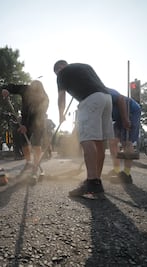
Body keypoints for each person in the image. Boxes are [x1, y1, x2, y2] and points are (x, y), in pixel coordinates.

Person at [53, 60, 114, 198]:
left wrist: (60, 114)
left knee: (87, 138)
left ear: (58, 68)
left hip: (90, 100)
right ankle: (96, 181)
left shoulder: (61, 73)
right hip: (106, 98)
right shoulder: (85, 66)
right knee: (99, 141)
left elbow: (61, 96)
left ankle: (92, 181)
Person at [2, 80, 49, 176]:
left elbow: (39, 115)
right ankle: (28, 163)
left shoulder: (44, 98)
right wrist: (6, 89)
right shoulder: (25, 89)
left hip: (38, 123)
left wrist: (27, 126)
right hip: (25, 119)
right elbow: (12, 86)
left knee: (36, 144)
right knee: (24, 142)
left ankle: (35, 165)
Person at [104, 88, 141, 184]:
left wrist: (125, 119)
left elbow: (121, 99)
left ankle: (126, 174)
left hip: (131, 111)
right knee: (112, 141)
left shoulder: (103, 91)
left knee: (126, 142)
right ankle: (116, 170)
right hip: (117, 117)